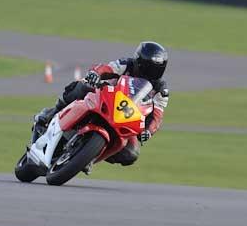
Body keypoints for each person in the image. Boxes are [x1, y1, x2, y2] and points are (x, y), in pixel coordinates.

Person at [35, 41, 169, 167]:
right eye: (148, 68)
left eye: (156, 70)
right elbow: (107, 68)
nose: (151, 73)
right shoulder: (127, 64)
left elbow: (157, 115)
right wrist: (95, 74)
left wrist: (148, 131)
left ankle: (89, 157)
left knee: (131, 153)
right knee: (82, 86)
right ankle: (51, 113)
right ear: (139, 62)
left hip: (127, 116)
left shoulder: (161, 90)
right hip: (104, 95)